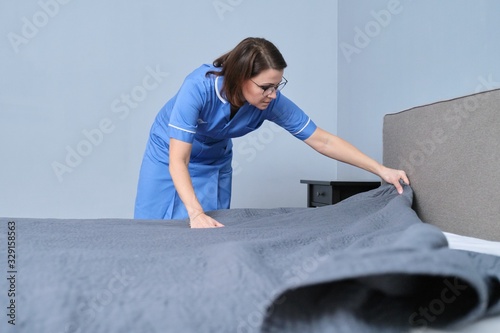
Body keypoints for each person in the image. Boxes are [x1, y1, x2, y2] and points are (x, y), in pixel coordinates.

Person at [134, 37, 409, 228]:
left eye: (277, 85)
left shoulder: (268, 102)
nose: (272, 94)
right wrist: (194, 212)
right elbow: (178, 160)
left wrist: (380, 170)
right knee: (155, 228)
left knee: (207, 231)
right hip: (169, 155)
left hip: (214, 160)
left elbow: (322, 140)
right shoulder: (197, 88)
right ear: (240, 77)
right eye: (265, 86)